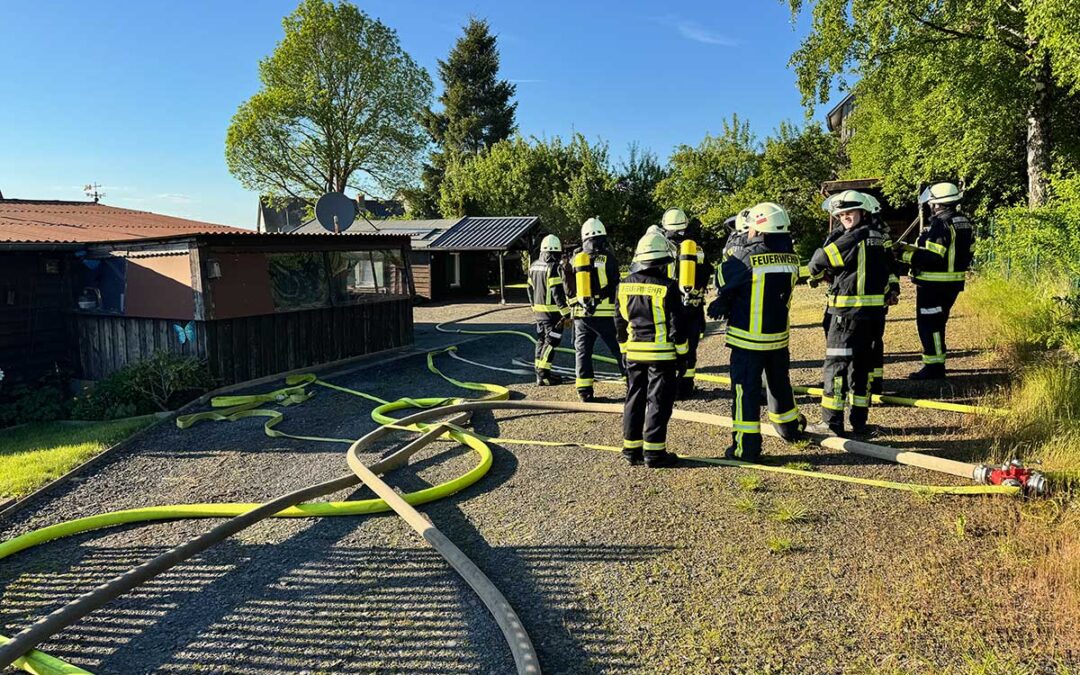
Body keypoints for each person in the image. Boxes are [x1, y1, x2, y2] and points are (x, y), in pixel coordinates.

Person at [707, 202, 805, 461]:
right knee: (779, 385)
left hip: (748, 339)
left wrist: (733, 249)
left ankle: (744, 448)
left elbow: (722, 278)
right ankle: (789, 428)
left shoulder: (746, 257)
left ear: (759, 229)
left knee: (745, 393)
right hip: (777, 338)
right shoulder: (792, 258)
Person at [806, 190, 896, 437]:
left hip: (846, 314)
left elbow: (818, 262)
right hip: (873, 314)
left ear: (862, 213)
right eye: (842, 214)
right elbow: (890, 269)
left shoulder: (854, 237)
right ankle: (859, 423)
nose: (845, 217)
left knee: (836, 366)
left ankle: (831, 423)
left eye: (850, 212)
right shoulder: (878, 236)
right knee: (862, 368)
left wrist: (821, 272)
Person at [616, 230, 687, 468]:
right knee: (657, 402)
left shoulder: (624, 286)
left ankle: (631, 449)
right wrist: (683, 353)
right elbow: (678, 325)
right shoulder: (668, 286)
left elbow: (619, 322)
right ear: (663, 260)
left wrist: (624, 349)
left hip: (634, 353)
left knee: (633, 398)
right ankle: (654, 453)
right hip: (662, 355)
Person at [895, 182, 974, 380]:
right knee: (938, 323)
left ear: (937, 203)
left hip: (933, 285)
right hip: (952, 283)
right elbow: (968, 251)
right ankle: (936, 364)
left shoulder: (941, 224)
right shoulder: (964, 221)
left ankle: (934, 367)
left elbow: (932, 257)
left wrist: (902, 256)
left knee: (930, 326)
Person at [564, 217, 624, 402]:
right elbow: (616, 284)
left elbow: (567, 287)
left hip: (581, 316)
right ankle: (632, 381)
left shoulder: (575, 259)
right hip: (605, 314)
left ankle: (584, 391)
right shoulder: (609, 258)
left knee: (582, 352)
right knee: (619, 348)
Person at [661, 208, 711, 399]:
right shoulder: (696, 248)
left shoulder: (661, 246)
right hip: (693, 306)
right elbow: (706, 272)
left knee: (669, 345)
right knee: (690, 348)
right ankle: (686, 387)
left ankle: (667, 386)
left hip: (668, 306)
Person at [527, 234, 570, 385]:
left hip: (539, 313)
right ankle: (543, 375)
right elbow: (556, 292)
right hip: (552, 314)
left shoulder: (534, 265)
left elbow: (529, 288)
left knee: (541, 342)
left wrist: (533, 306)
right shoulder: (553, 267)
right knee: (551, 342)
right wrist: (566, 312)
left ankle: (541, 373)